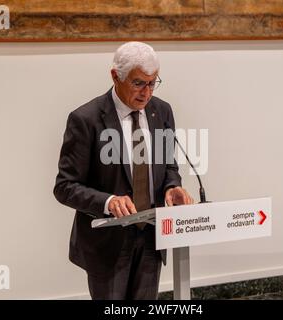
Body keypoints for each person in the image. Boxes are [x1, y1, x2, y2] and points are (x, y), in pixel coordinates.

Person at [53, 41, 193, 300]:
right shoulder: (86, 119)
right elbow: (65, 186)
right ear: (115, 76)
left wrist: (172, 187)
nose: (146, 93)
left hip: (152, 237)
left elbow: (168, 164)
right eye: (138, 83)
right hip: (108, 244)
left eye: (153, 83)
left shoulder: (161, 112)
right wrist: (108, 201)